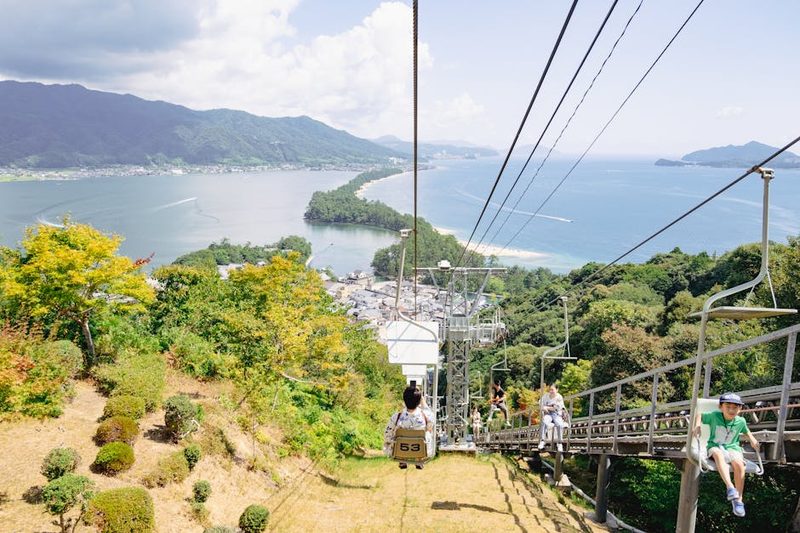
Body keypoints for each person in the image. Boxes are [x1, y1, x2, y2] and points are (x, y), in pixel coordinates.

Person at [693, 392, 760, 518]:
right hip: (715, 446)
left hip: (732, 448)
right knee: (718, 454)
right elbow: (699, 415)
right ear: (721, 407)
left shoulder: (740, 421)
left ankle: (739, 500)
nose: (731, 410)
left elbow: (746, 431)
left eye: (735, 407)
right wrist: (697, 426)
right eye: (728, 407)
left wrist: (752, 439)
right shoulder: (714, 416)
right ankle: (730, 487)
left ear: (740, 409)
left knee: (739, 464)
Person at [384, 384, 434, 469]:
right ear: (419, 401)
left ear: (404, 400)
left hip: (400, 449)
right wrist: (422, 400)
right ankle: (419, 458)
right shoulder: (426, 416)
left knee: (394, 432)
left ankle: (402, 458)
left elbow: (387, 434)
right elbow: (430, 427)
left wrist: (390, 441)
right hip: (421, 450)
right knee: (428, 432)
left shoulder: (397, 417)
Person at [538, 384, 567, 452]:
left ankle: (559, 443)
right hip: (548, 414)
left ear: (557, 390)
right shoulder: (546, 396)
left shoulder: (559, 397)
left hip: (556, 414)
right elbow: (540, 404)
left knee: (559, 424)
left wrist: (546, 407)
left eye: (552, 390)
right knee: (544, 422)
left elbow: (556, 408)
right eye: (550, 389)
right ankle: (542, 441)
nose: (551, 391)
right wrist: (543, 407)